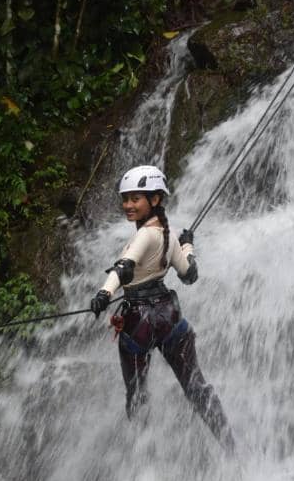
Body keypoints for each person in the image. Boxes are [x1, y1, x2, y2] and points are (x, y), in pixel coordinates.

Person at [90, 165, 233, 449]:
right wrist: (187, 246)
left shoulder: (145, 235)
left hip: (138, 321)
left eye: (135, 199)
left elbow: (124, 268)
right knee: (196, 387)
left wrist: (104, 293)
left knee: (137, 394)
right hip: (169, 316)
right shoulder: (167, 235)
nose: (128, 205)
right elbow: (189, 275)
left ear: (154, 199)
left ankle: (142, 455)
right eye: (125, 199)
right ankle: (231, 449)